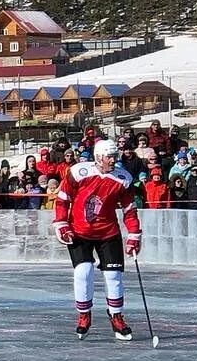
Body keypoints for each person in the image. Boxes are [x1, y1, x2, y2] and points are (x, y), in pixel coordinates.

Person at [53, 139, 141, 341]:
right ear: (99, 157)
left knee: (114, 276)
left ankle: (116, 316)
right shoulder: (78, 172)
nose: (113, 160)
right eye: (110, 156)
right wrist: (61, 223)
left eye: (115, 156)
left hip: (108, 233)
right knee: (84, 271)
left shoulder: (123, 178)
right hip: (79, 231)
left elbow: (129, 210)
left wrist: (134, 235)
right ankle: (84, 315)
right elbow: (63, 200)